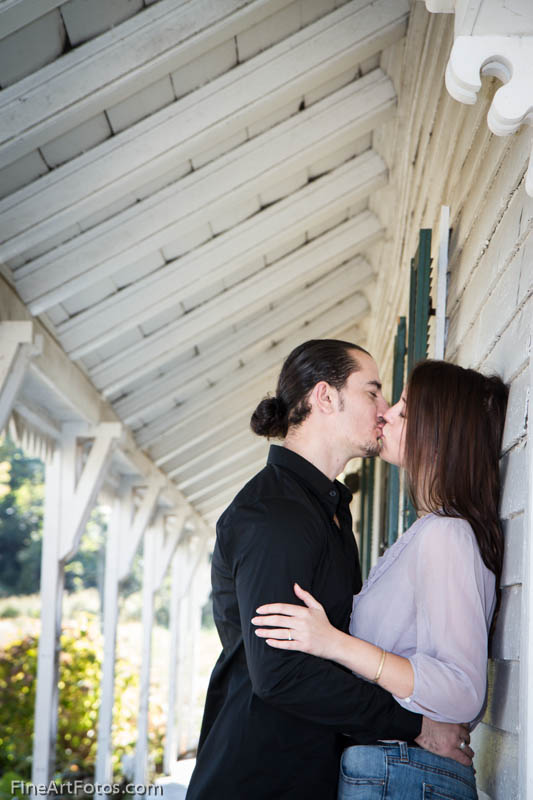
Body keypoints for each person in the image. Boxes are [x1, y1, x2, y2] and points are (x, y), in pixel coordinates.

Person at [186, 341, 474, 800]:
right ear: (325, 397)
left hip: (309, 770)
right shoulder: (275, 513)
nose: (384, 410)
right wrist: (416, 726)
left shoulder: (329, 509)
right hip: (258, 777)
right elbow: (279, 672)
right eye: (373, 392)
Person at [252, 359, 508, 800]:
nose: (386, 414)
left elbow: (463, 690)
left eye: (405, 411)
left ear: (439, 434)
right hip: (397, 773)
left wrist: (333, 642)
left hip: (405, 778)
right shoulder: (429, 531)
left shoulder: (448, 535)